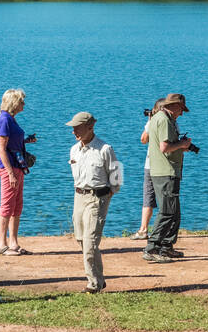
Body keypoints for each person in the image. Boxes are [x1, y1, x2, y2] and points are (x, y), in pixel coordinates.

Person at [66, 111, 122, 292]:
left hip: (97, 198)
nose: (74, 132)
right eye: (73, 128)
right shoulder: (74, 149)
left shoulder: (105, 149)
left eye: (78, 128)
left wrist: (108, 194)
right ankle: (99, 278)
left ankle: (94, 284)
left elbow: (116, 175)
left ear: (90, 127)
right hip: (78, 197)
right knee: (81, 239)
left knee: (90, 242)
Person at [142, 92, 195, 263]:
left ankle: (166, 246)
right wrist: (183, 144)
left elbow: (163, 145)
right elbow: (164, 147)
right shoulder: (164, 120)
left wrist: (181, 147)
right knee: (167, 211)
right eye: (181, 109)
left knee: (174, 212)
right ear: (173, 106)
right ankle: (152, 248)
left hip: (166, 171)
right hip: (165, 172)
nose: (182, 113)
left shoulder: (159, 118)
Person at [0, 88, 36, 255]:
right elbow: (1, 148)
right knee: (7, 205)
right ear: (13, 103)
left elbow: (12, 142)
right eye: (21, 101)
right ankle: (1, 244)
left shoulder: (11, 119)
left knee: (17, 206)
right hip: (8, 169)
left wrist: (26, 141)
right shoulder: (4, 120)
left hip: (17, 167)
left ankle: (13, 243)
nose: (23, 104)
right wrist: (10, 173)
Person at [131, 98, 165, 240]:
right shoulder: (171, 124)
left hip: (153, 165)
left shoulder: (154, 123)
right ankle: (151, 229)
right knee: (159, 199)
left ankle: (144, 229)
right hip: (161, 166)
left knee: (149, 197)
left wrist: (150, 123)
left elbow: (143, 139)